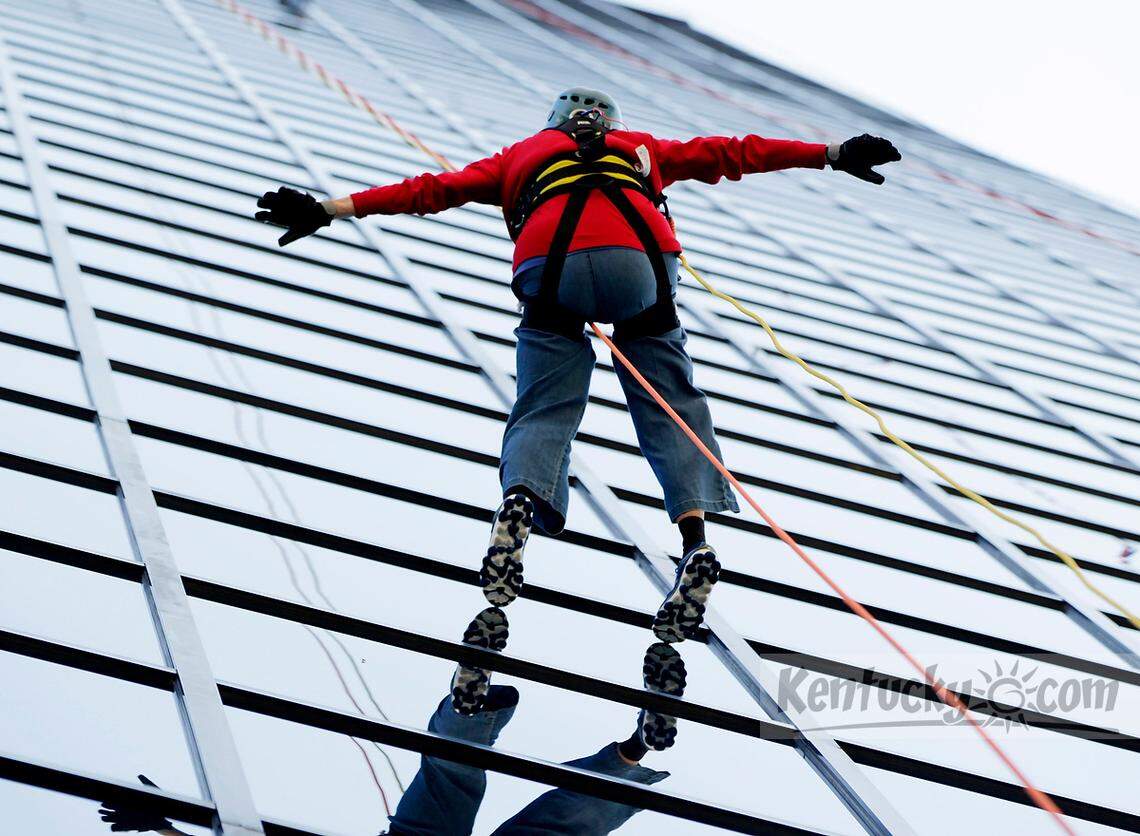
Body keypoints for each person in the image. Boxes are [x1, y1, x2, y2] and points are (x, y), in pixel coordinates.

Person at [256, 88, 902, 645]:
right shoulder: (642, 146)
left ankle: (520, 498)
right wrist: (832, 154)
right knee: (670, 397)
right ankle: (694, 533)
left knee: (544, 403)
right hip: (638, 262)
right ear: (608, 120)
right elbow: (734, 152)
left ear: (552, 122)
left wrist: (329, 208)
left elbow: (431, 192)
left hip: (547, 264)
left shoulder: (518, 157)